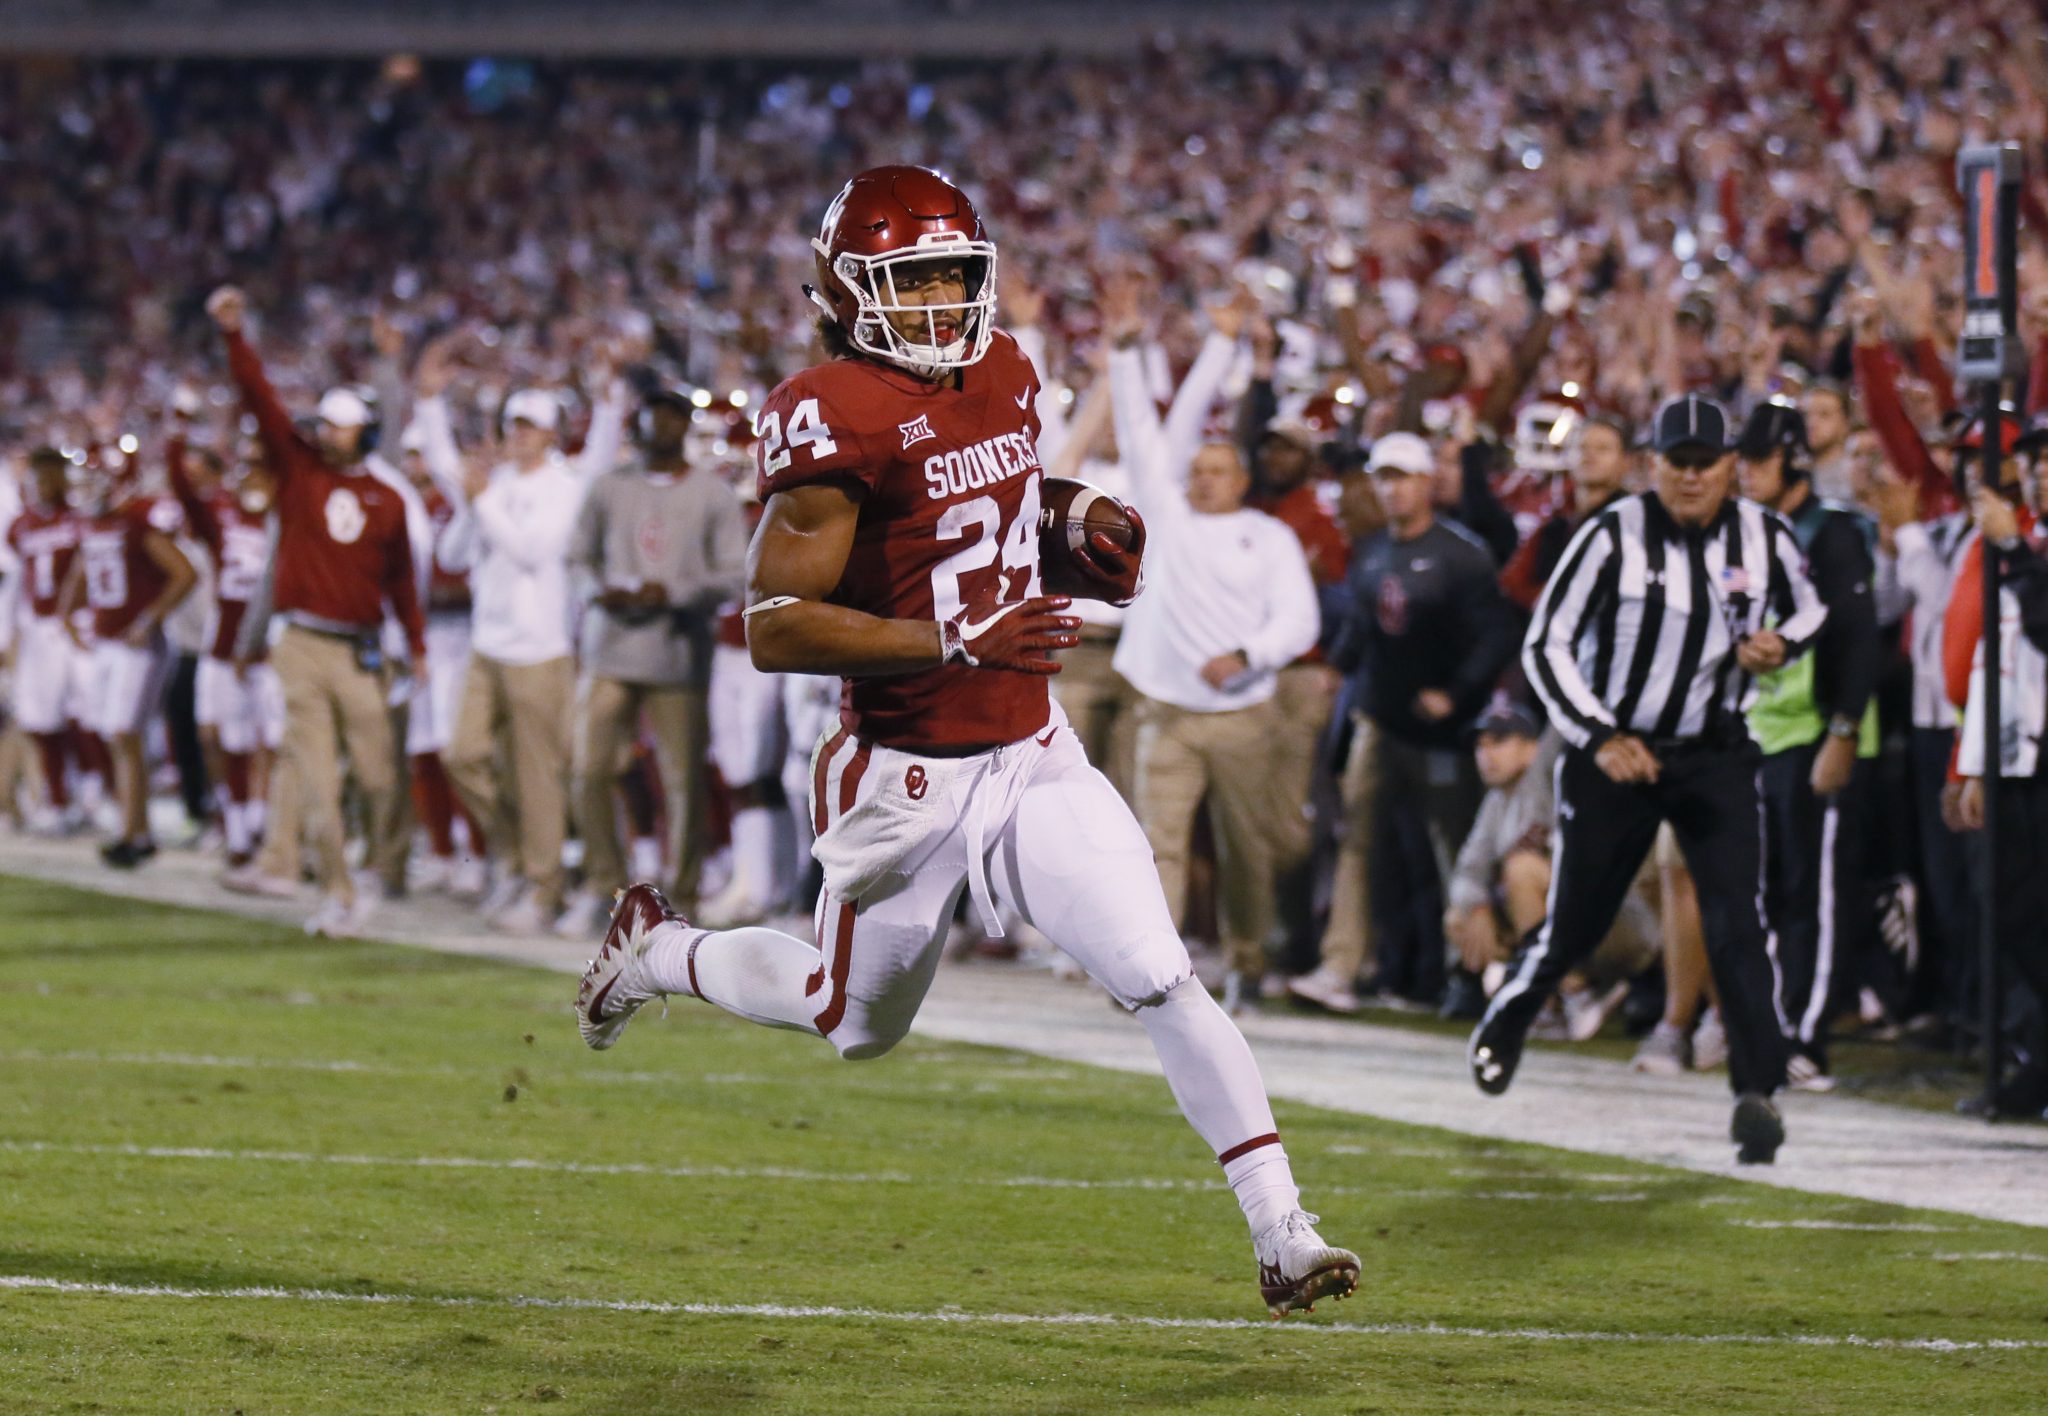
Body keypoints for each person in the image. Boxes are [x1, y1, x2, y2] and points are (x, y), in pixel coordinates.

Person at [574, 165, 1358, 1318]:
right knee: (851, 1022)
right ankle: (657, 950)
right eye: (911, 280)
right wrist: (956, 636)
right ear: (845, 292)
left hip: (1031, 746)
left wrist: (1076, 517)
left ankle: (1281, 1232)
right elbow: (775, 623)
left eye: (952, 275)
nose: (940, 302)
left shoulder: (1002, 367)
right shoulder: (828, 409)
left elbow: (995, 501)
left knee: (1159, 976)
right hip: (901, 771)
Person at [1476, 393, 1826, 1165]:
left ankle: (1758, 1092)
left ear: (1730, 466)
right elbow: (1546, 644)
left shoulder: (1765, 534)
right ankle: (1511, 1012)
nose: (1692, 476)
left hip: (1714, 751)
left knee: (1737, 919)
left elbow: (1810, 609)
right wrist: (1599, 735)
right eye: (1678, 462)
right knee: (1577, 921)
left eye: (1706, 462)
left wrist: (1782, 643)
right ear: (1652, 465)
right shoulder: (1611, 534)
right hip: (1617, 751)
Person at [1106, 289, 1321, 1013]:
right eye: (1196, 469)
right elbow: (1142, 433)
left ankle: (1248, 964)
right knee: (1156, 847)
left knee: (1246, 850)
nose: (1201, 478)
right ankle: (1156, 975)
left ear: (1243, 481)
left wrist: (1248, 654)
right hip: (1166, 713)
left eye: (1217, 470)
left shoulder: (1271, 537)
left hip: (1242, 716)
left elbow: (1299, 621)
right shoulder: (1164, 518)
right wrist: (1129, 355)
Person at [208, 284, 428, 936]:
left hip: (360, 648)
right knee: (317, 781)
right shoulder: (301, 472)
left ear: (366, 432)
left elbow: (401, 583)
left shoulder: (389, 499)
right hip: (301, 644)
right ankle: (339, 891)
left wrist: (416, 645)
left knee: (380, 776)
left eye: (337, 424)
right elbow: (261, 399)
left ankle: (383, 868)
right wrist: (235, 335)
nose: (324, 432)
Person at [1325, 430, 1519, 1014]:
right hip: (1380, 720)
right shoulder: (1372, 550)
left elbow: (1494, 635)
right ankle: (1341, 966)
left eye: (1403, 477)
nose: (1393, 489)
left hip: (1442, 735)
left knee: (1455, 853)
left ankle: (1467, 972)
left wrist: (1456, 694)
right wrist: (1337, 667)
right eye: (1384, 478)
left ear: (1427, 482)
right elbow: (1362, 627)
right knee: (1359, 844)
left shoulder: (1463, 554)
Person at [1735, 402, 1883, 1090]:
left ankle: (1808, 1038)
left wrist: (1843, 730)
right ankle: (1772, 1024)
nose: (1746, 472)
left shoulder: (1833, 534)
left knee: (1817, 894)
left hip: (1818, 731)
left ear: (1791, 460)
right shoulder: (1754, 533)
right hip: (1765, 731)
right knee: (1773, 892)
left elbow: (1859, 637)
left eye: (1759, 459)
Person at [566, 383, 748, 931]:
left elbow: (734, 574)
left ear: (686, 426)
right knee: (588, 768)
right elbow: (577, 556)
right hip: (609, 648)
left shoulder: (713, 494)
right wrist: (597, 592)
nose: (664, 425)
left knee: (683, 782)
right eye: (655, 414)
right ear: (637, 423)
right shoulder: (609, 486)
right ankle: (605, 889)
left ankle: (682, 897)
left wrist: (672, 592)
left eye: (673, 416)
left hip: (679, 651)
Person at [438, 387, 585, 933]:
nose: (516, 434)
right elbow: (450, 554)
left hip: (539, 648)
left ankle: (543, 888)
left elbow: (532, 551)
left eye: (527, 425)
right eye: (511, 423)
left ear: (550, 434)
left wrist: (482, 501)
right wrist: (470, 502)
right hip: (488, 643)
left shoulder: (565, 487)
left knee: (537, 776)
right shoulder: (496, 484)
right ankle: (514, 856)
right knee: (462, 754)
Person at [1442, 703, 1654, 1041]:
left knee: (1522, 870)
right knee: (1459, 917)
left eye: (1500, 741)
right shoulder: (1497, 801)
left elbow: (1563, 719)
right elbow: (1467, 873)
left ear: (1532, 748)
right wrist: (1477, 906)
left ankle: (1570, 993)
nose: (1486, 754)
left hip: (1618, 924)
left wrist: (1566, 682)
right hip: (1572, 928)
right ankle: (1553, 1002)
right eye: (1481, 745)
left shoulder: (1549, 776)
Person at [58, 448, 197, 866]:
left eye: (94, 478)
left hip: (138, 647)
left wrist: (149, 618)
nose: (87, 488)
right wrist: (68, 616)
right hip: (106, 643)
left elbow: (184, 573)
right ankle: (134, 829)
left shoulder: (138, 521)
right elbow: (82, 572)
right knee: (115, 736)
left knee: (123, 734)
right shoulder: (95, 523)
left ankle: (135, 833)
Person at [167, 423, 281, 871]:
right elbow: (185, 493)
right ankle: (234, 821)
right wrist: (176, 431)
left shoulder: (290, 514)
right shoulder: (225, 512)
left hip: (270, 648)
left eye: (257, 464)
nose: (248, 472)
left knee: (269, 742)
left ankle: (262, 824)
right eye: (245, 463)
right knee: (219, 737)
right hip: (223, 644)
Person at [6, 447, 92, 833]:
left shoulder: (78, 519)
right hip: (38, 628)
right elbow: (17, 582)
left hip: (76, 624)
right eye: (38, 476)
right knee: (41, 719)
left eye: (50, 475)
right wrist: (10, 634)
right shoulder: (20, 526)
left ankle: (95, 791)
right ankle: (58, 799)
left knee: (85, 715)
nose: (43, 484)